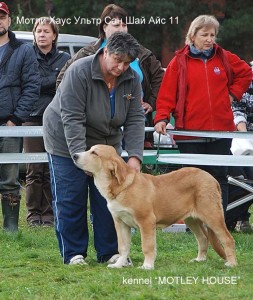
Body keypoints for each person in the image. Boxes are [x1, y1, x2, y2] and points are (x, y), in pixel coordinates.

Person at [43, 31, 145, 265]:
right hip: (65, 139)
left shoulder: (132, 79)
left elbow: (136, 119)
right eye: (117, 60)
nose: (121, 67)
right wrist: (84, 159)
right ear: (105, 50)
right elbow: (71, 118)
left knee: (110, 199)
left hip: (106, 143)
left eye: (127, 63)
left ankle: (110, 252)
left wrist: (135, 157)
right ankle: (73, 253)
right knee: (71, 197)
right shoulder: (79, 71)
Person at [154, 15, 252, 214]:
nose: (209, 39)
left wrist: (232, 95)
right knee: (192, 180)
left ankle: (218, 223)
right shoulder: (178, 62)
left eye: (213, 35)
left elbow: (246, 73)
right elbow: (166, 93)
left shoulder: (224, 57)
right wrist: (162, 117)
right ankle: (194, 225)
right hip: (189, 132)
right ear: (193, 35)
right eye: (204, 34)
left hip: (221, 132)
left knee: (219, 178)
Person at [56, 3, 164, 147]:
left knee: (129, 167)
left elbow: (161, 78)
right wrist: (80, 109)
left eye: (124, 25)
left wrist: (151, 101)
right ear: (104, 27)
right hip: (93, 128)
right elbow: (63, 79)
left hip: (133, 122)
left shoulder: (142, 53)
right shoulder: (86, 54)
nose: (122, 29)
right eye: (116, 25)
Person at [23, 17, 70, 228]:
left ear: (54, 35)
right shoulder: (24, 55)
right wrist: (48, 83)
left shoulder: (64, 58)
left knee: (53, 167)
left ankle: (49, 214)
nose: (42, 34)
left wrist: (40, 84)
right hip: (31, 118)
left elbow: (65, 87)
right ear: (34, 34)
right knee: (34, 169)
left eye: (46, 31)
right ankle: (33, 215)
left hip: (56, 119)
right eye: (38, 31)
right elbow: (28, 84)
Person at [0, 2, 40, 232]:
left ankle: (11, 229)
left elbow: (32, 86)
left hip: (10, 125)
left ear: (9, 19)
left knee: (10, 180)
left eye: (2, 16)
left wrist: (16, 118)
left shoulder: (24, 50)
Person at [226, 61, 253, 233]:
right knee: (245, 180)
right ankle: (236, 218)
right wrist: (245, 137)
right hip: (244, 140)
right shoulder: (248, 75)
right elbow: (237, 110)